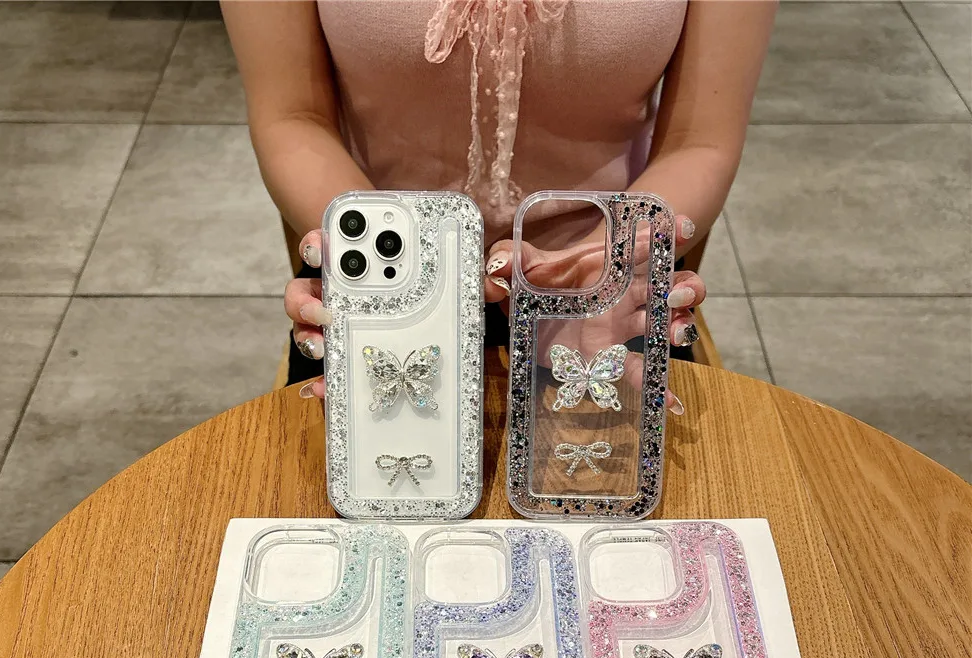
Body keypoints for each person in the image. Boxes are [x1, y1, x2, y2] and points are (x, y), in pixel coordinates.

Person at [222, 0, 776, 413]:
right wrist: (415, 282)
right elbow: (292, 116)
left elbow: (700, 140)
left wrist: (602, 270)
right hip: (385, 283)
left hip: (606, 295)